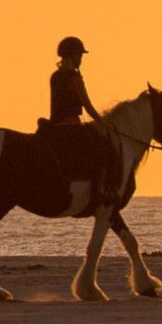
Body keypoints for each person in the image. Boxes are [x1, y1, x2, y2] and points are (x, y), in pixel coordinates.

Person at [45, 36, 122, 208]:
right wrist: (103, 123)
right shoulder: (74, 78)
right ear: (72, 56)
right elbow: (87, 105)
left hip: (55, 126)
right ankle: (100, 192)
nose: (81, 59)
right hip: (71, 127)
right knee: (103, 149)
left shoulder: (55, 76)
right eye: (79, 55)